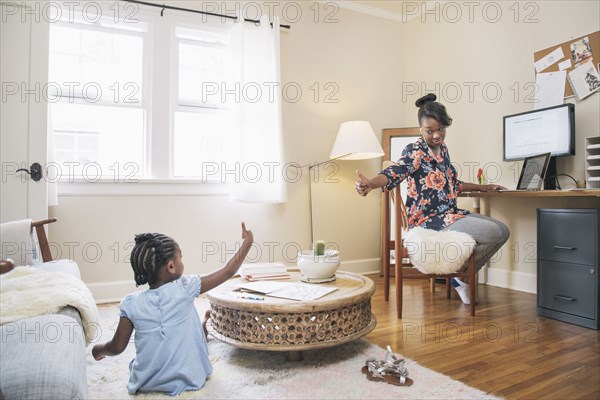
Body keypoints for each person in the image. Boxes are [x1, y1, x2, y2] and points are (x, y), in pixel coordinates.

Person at [355, 93, 509, 304]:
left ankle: (459, 276)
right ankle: (462, 277)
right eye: (430, 131)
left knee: (501, 230)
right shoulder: (415, 151)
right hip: (429, 221)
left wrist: (483, 187)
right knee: (497, 232)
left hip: (450, 215)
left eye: (441, 129)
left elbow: (453, 184)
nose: (436, 135)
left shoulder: (443, 150)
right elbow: (395, 172)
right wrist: (371, 183)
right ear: (421, 130)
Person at [92, 222, 254, 396]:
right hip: (188, 378)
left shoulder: (131, 304)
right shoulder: (186, 288)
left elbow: (117, 347)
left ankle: (204, 326)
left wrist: (98, 350)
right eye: (180, 257)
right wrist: (248, 242)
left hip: (147, 382)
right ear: (171, 266)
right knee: (188, 326)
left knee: (180, 328)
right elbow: (227, 272)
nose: (182, 260)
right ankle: (205, 327)